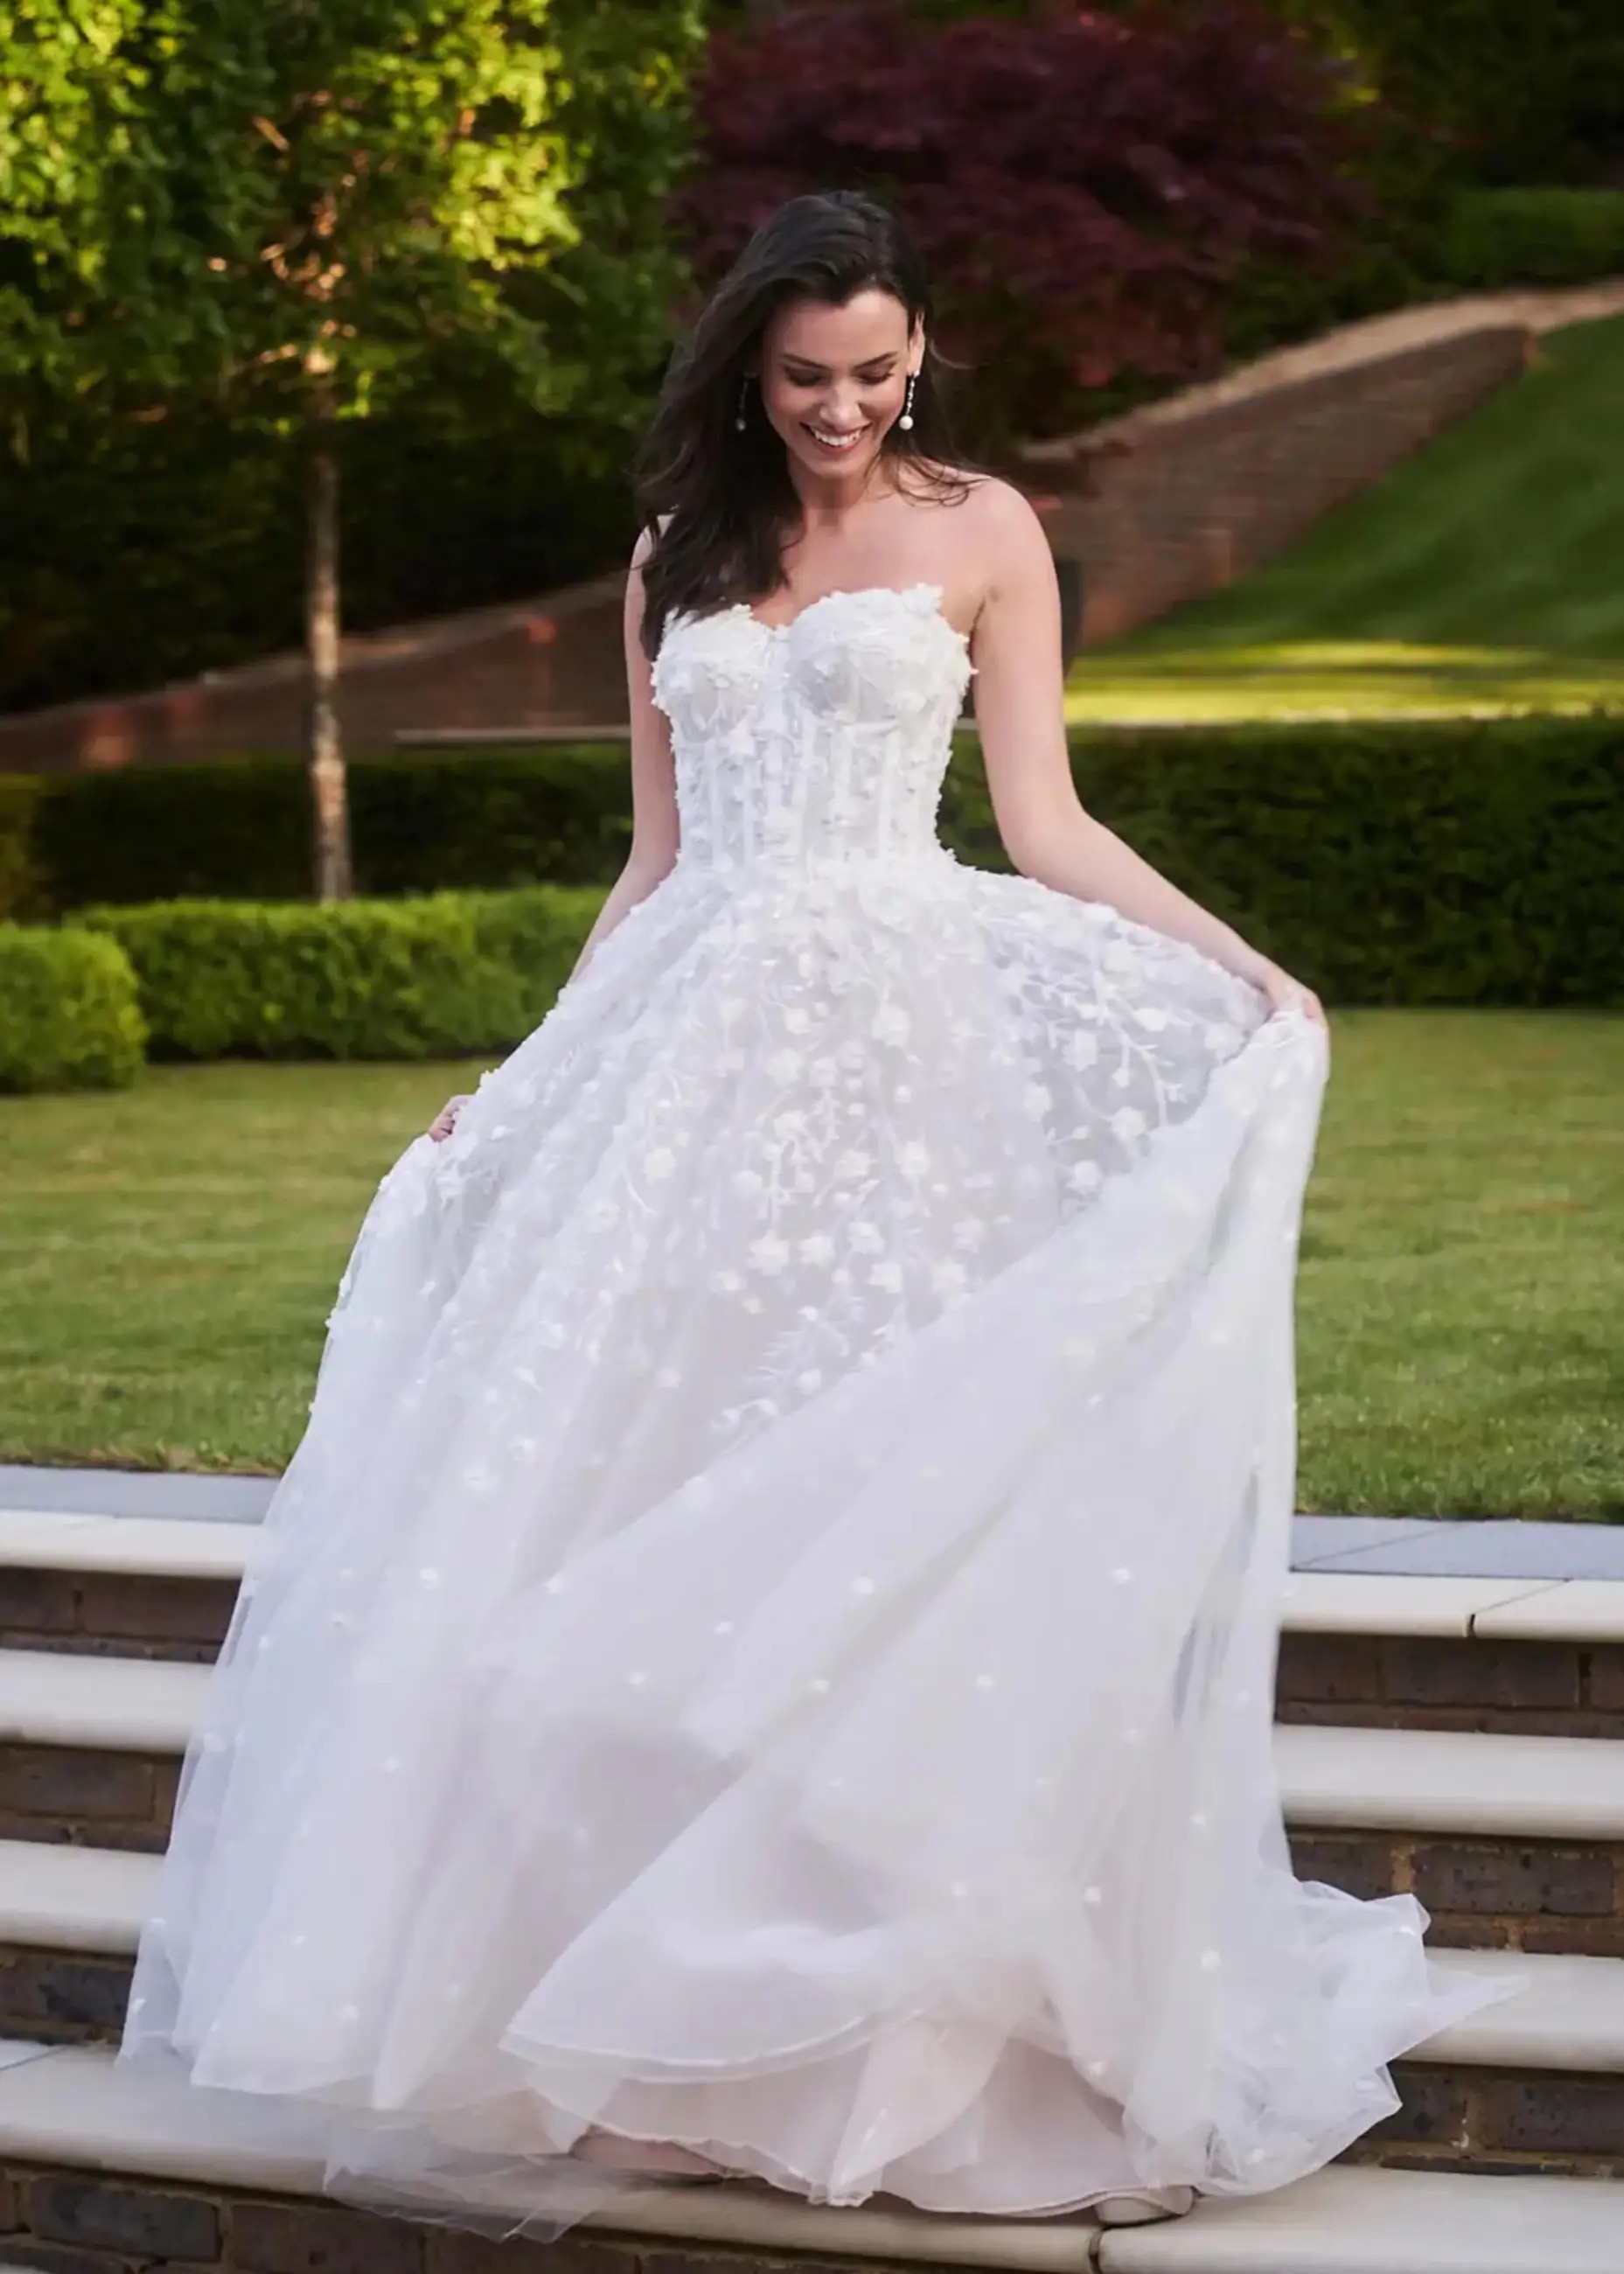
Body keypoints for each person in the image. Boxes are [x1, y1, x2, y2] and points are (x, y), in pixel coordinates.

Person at [116, 189, 1509, 2243]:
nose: (844, 407)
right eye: (804, 377)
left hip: (894, 1062)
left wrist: (1243, 971)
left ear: (917, 351)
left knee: (877, 1526)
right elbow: (648, 863)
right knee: (647, 1508)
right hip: (683, 1070)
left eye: (875, 371)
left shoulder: (984, 532)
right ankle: (648, 2029)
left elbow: (1040, 821)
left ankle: (885, 2035)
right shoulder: (674, 557)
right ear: (743, 375)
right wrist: (526, 1079)